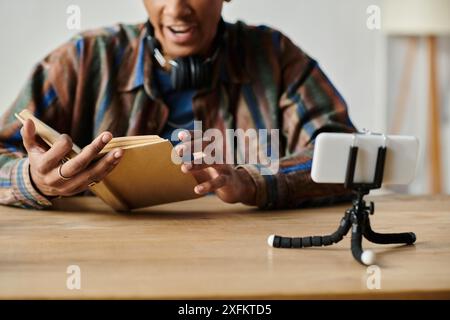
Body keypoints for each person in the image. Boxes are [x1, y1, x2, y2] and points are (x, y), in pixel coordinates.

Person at [0, 0, 357, 210]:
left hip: (245, 261)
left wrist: (255, 182)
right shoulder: (84, 59)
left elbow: (349, 158)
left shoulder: (275, 57)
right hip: (111, 267)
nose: (177, 10)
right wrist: (35, 179)